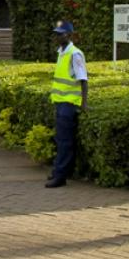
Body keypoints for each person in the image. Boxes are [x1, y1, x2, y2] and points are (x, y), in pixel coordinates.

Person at [46, 21, 88, 189]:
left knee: (64, 141)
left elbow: (83, 80)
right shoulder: (62, 53)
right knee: (60, 139)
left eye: (61, 34)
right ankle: (59, 171)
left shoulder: (74, 54)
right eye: (56, 33)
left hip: (69, 104)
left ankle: (60, 176)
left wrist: (84, 104)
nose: (58, 37)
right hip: (60, 103)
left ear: (69, 35)